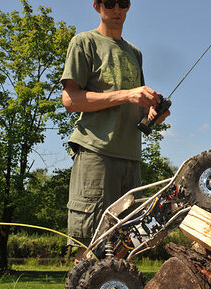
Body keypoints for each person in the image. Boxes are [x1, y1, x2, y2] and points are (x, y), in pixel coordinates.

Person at [61, 0, 170, 262]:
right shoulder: (83, 42)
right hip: (96, 153)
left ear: (129, 6)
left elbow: (136, 104)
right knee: (91, 243)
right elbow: (70, 100)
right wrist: (127, 94)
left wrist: (153, 114)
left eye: (123, 3)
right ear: (97, 6)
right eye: (109, 3)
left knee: (125, 242)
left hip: (131, 156)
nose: (116, 9)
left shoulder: (135, 53)